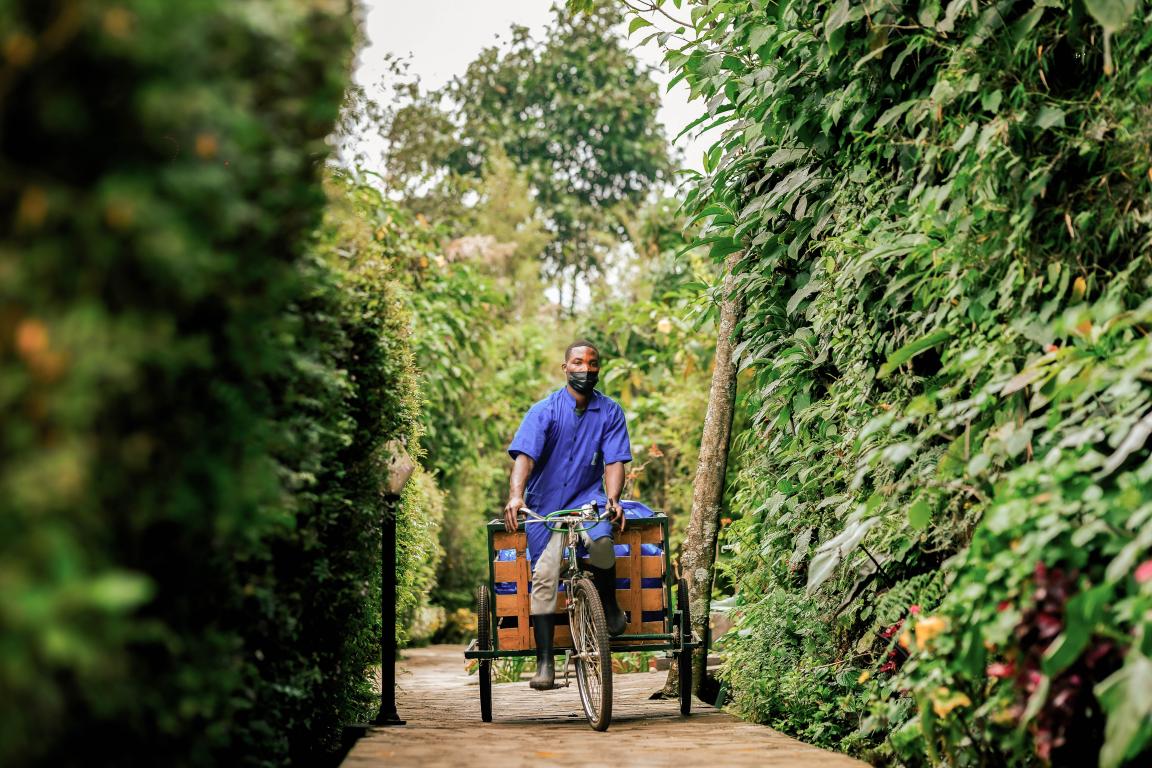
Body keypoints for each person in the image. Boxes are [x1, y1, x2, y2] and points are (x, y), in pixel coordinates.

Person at [504, 340, 632, 690]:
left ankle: (607, 604)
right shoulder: (543, 411)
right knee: (545, 574)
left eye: (592, 364)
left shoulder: (609, 411)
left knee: (603, 544)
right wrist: (516, 497)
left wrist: (613, 498)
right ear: (565, 367)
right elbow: (524, 459)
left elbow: (616, 460)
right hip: (546, 505)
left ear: (598, 369)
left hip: (588, 500)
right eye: (578, 362)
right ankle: (544, 660)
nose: (585, 369)